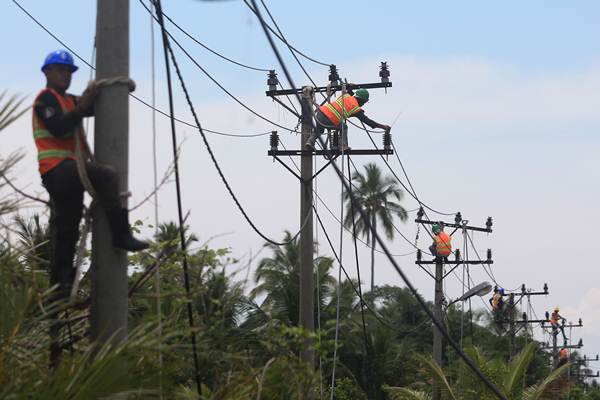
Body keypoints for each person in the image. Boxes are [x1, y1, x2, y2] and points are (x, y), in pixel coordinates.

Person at [305, 88, 391, 151]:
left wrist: (350, 86)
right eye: (364, 102)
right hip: (330, 118)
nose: (363, 104)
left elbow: (349, 90)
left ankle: (310, 141)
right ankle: (342, 145)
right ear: (362, 100)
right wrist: (383, 127)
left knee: (320, 130)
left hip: (320, 113)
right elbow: (369, 122)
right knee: (343, 127)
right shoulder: (356, 109)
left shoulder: (346, 96)